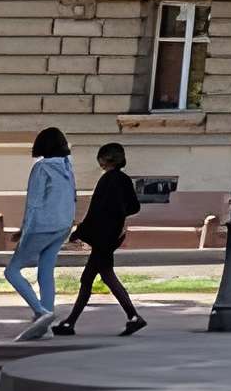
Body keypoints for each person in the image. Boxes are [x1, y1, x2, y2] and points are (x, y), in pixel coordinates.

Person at [56, 140, 145, 337]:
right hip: (114, 235)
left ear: (104, 159)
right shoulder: (124, 179)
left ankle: (71, 323)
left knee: (91, 278)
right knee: (102, 276)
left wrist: (79, 231)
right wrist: (119, 219)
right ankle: (71, 322)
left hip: (103, 236)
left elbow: (96, 211)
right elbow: (134, 207)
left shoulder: (106, 180)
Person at [4, 126, 74, 339]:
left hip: (42, 225)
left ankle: (41, 312)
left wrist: (25, 229)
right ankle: (45, 320)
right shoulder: (67, 165)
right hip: (63, 225)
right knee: (46, 270)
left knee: (12, 271)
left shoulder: (41, 167)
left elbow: (34, 202)